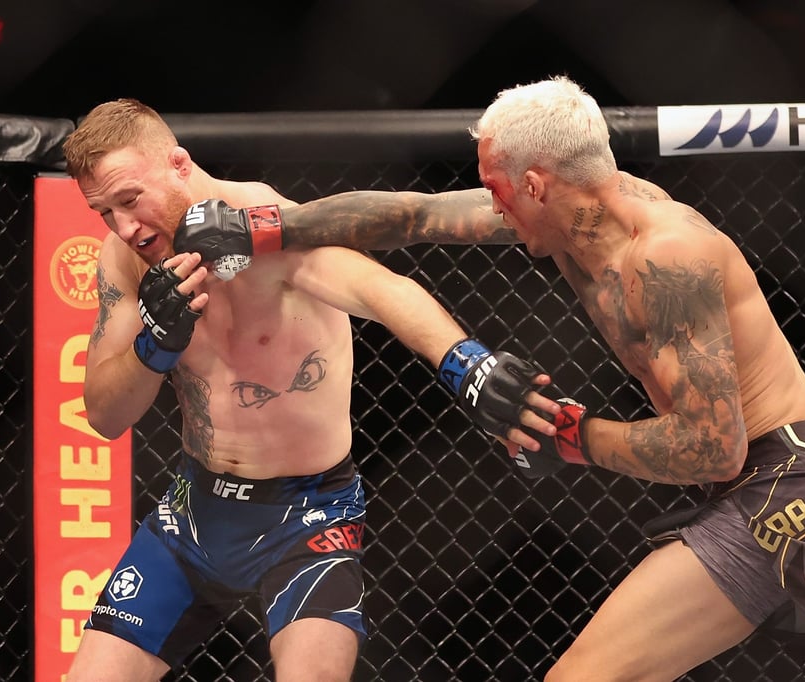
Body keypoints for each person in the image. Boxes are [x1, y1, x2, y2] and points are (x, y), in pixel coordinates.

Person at [175, 77, 805, 681]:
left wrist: (570, 434)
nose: (490, 205)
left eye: (497, 189)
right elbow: (414, 214)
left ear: (536, 184)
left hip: (785, 487)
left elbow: (713, 451)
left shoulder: (665, 256)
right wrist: (264, 227)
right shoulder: (581, 214)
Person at [59, 98, 556, 682]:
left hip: (308, 514)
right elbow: (104, 414)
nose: (124, 227)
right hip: (195, 511)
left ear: (178, 164)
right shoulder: (123, 261)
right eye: (104, 212)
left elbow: (381, 290)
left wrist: (467, 363)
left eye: (129, 200)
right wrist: (153, 344)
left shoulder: (269, 224)